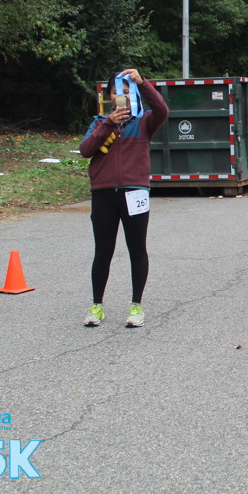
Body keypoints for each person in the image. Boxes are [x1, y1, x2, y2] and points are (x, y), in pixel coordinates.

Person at [79, 68, 168, 328]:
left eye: (128, 92)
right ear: (109, 96)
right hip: (103, 193)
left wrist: (144, 82)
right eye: (118, 92)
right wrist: (109, 123)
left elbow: (162, 110)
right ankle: (97, 306)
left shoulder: (144, 121)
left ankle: (136, 306)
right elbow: (85, 150)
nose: (123, 96)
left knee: (137, 249)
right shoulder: (99, 123)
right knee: (102, 251)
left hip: (135, 191)